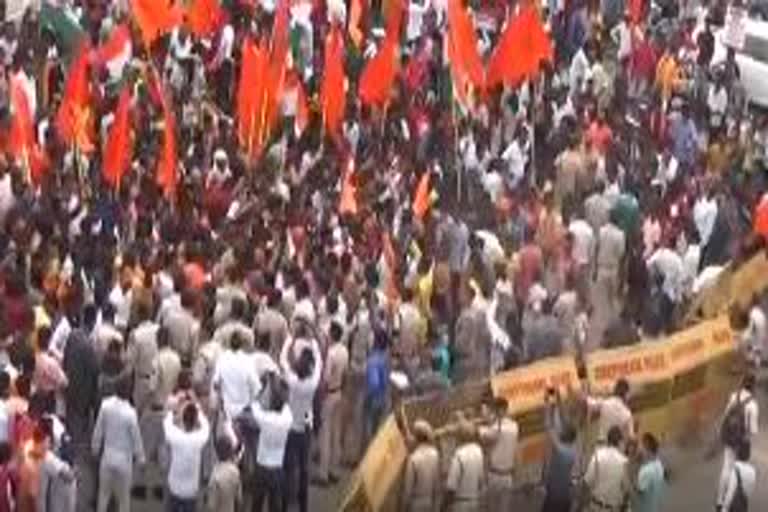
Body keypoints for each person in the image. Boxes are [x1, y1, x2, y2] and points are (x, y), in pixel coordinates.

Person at [280, 322, 322, 512]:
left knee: (288, 465)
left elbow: (282, 359)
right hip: (305, 424)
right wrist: (312, 342)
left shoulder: (292, 380)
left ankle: (285, 502)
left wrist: (291, 338)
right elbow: (319, 362)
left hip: (290, 426)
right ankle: (303, 504)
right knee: (304, 467)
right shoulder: (312, 383)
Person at [91, 379, 146, 512]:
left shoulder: (105, 406)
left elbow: (98, 430)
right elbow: (136, 439)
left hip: (107, 457)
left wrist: (95, 448)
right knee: (123, 500)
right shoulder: (131, 414)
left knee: (103, 495)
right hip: (124, 461)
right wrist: (141, 458)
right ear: (128, 392)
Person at [247, 375, 293, 512]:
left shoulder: (264, 418)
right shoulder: (287, 418)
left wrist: (265, 387)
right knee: (275, 505)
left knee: (257, 503)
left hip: (262, 466)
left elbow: (254, 404)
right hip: (277, 468)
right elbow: (286, 403)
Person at [717, 374, 759, 506]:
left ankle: (719, 500)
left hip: (729, 438)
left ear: (742, 383)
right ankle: (730, 502)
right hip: (741, 443)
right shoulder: (753, 405)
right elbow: (753, 430)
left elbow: (725, 414)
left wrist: (723, 430)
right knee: (738, 472)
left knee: (726, 468)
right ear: (753, 386)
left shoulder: (734, 396)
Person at [315, 321, 349, 485]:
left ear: (333, 335)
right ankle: (335, 470)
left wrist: (320, 395)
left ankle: (323, 473)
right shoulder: (343, 350)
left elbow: (326, 379)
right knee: (336, 434)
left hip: (329, 394)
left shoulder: (331, 354)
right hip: (339, 392)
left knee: (325, 435)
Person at [163, 401, 211, 512]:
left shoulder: (174, 436)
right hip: (191, 490)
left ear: (182, 419)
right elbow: (206, 427)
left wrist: (172, 411)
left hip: (174, 486)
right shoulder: (199, 438)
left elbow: (166, 423)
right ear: (195, 421)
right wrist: (199, 412)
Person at [479, 397, 518, 510]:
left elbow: (482, 434)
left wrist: (484, 422)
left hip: (495, 476)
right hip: (508, 476)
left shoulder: (496, 429)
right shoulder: (514, 426)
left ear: (498, 410)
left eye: (494, 410)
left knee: (491, 508)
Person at [542, 389, 577, 512]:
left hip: (555, 498)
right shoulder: (572, 449)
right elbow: (564, 420)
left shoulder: (561, 451)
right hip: (565, 497)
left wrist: (546, 404)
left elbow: (548, 426)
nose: (560, 430)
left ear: (565, 435)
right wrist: (559, 400)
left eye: (563, 430)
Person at [211, 331, 260, 419]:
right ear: (242, 344)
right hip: (243, 409)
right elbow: (256, 386)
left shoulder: (222, 358)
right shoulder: (247, 361)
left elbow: (215, 384)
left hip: (227, 408)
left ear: (229, 343)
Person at [583, 426, 630, 512]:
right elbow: (626, 490)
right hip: (612, 508)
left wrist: (582, 505)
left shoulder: (597, 455)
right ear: (620, 442)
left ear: (608, 440)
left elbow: (586, 482)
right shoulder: (624, 462)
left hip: (595, 506)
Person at [443, 419, 485, 511]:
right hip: (475, 501)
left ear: (460, 436)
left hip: (460, 504)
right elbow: (481, 479)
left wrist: (444, 506)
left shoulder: (459, 455)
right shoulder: (478, 450)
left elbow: (451, 486)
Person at [401, 419, 440, 512]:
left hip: (416, 504)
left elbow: (408, 489)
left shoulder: (414, 458)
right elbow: (437, 483)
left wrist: (403, 508)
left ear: (416, 437)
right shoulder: (435, 454)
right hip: (430, 501)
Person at [717, 441, 756, 512]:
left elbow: (730, 493)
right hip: (744, 504)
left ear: (737, 453)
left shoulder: (736, 468)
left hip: (734, 506)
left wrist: (724, 508)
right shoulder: (752, 470)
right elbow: (750, 491)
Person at [206, 436, 241, 512]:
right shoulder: (235, 471)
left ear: (217, 453)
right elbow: (238, 498)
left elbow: (211, 506)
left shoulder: (215, 476)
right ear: (230, 452)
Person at [632, 433, 665, 512]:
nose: (638, 449)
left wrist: (632, 476)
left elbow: (638, 492)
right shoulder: (659, 464)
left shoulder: (647, 470)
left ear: (646, 446)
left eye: (640, 446)